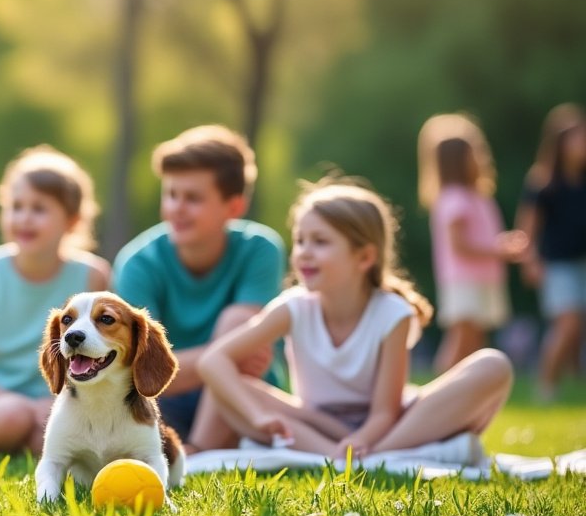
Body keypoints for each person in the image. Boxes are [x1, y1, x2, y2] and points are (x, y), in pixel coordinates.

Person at [199, 181, 513, 462]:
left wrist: (362, 440)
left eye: (320, 242)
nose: (304, 253)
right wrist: (256, 417)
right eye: (300, 241)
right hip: (315, 424)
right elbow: (213, 359)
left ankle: (374, 455)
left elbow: (384, 413)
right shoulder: (293, 307)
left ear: (364, 258)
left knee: (493, 366)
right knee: (228, 391)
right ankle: (350, 457)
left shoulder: (393, 313)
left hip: (387, 427)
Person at [0, 145, 110, 459]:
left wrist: (56, 404)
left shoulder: (93, 276)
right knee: (11, 416)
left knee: (50, 437)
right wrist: (22, 404)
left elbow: (99, 357)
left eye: (39, 209)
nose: (24, 218)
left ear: (72, 220)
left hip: (54, 406)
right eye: (16, 206)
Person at [112, 124, 285, 452]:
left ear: (233, 206)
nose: (177, 207)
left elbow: (247, 356)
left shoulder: (261, 249)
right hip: (164, 398)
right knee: (237, 339)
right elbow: (137, 373)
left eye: (192, 198)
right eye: (171, 194)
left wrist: (222, 356)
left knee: (237, 324)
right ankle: (196, 449)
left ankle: (200, 450)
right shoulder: (138, 262)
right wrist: (224, 357)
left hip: (242, 399)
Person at [417, 113, 527, 374]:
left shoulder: (475, 196)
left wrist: (500, 244)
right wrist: (498, 249)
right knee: (462, 338)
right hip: (463, 279)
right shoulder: (454, 199)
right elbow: (460, 246)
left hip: (481, 277)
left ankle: (466, 395)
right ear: (457, 161)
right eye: (473, 154)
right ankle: (439, 393)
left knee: (475, 342)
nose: (479, 159)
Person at [516, 104, 586, 402]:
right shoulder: (543, 182)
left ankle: (572, 384)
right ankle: (545, 385)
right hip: (557, 266)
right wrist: (529, 262)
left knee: (577, 330)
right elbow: (526, 230)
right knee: (567, 324)